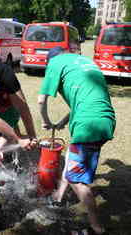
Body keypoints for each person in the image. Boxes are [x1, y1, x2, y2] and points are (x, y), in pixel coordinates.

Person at [38, 47, 115, 235]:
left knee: (76, 179)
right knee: (73, 164)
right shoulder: (85, 62)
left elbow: (41, 100)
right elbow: (83, 101)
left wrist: (46, 122)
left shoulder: (55, 63)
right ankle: (58, 197)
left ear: (51, 60)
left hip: (87, 127)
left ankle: (96, 227)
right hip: (105, 122)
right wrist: (62, 122)